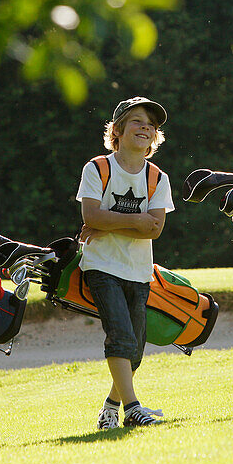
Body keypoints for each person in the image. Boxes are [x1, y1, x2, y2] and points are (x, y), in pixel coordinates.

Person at [76, 96, 176, 429]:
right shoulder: (97, 168)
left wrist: (108, 221)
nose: (145, 127)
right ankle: (133, 409)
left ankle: (109, 407)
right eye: (137, 121)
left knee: (134, 351)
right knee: (120, 336)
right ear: (117, 130)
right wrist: (134, 221)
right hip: (101, 267)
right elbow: (90, 214)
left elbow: (156, 228)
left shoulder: (158, 177)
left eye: (151, 124)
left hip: (138, 270)